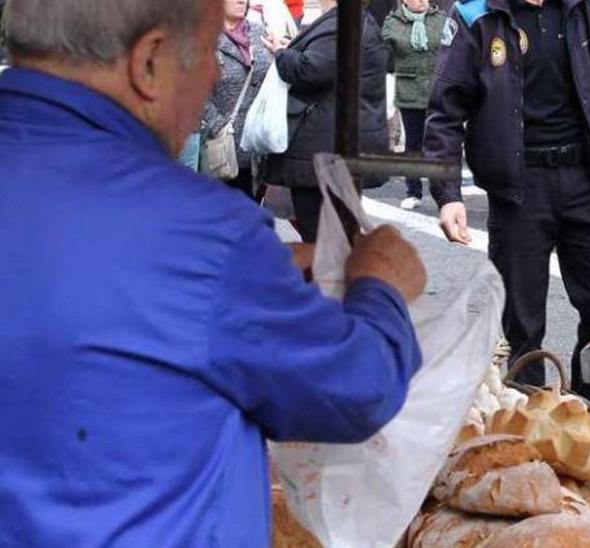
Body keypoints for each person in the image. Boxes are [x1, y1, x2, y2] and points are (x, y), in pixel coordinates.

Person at [0, 0, 429, 544]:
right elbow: (357, 386)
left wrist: (259, 274)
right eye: (206, 53)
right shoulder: (201, 231)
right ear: (150, 61)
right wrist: (381, 287)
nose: (212, 74)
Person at [424, 0, 590, 406]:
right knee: (522, 323)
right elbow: (446, 109)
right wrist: (448, 194)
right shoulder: (476, 14)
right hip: (517, 188)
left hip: (588, 178)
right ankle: (529, 425)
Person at [260, 0, 389, 242]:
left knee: (324, 241)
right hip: (331, 147)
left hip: (326, 151)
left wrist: (281, 53)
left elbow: (310, 70)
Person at [201, 0, 273, 199]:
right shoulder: (204, 37)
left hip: (259, 145)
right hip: (225, 147)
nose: (242, 0)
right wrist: (217, 126)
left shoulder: (260, 33)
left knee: (253, 210)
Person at [383, 0, 447, 209]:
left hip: (438, 90)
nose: (421, 2)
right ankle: (413, 191)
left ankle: (445, 193)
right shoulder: (393, 22)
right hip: (409, 91)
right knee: (413, 144)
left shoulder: (441, 19)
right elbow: (384, 53)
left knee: (441, 143)